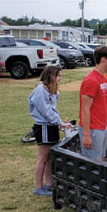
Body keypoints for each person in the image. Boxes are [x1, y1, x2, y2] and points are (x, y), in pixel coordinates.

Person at [28, 66, 72, 196]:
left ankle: (48, 184)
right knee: (42, 158)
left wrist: (60, 123)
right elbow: (45, 110)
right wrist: (59, 122)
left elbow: (52, 110)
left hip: (51, 126)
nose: (60, 78)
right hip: (43, 127)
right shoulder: (40, 89)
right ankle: (38, 187)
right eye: (58, 76)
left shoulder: (51, 90)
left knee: (50, 157)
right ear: (51, 76)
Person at [79, 45, 107, 162]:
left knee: (100, 159)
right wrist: (86, 135)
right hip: (92, 129)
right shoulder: (91, 81)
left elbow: (103, 105)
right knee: (92, 164)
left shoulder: (103, 80)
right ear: (103, 59)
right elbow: (85, 109)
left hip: (101, 128)